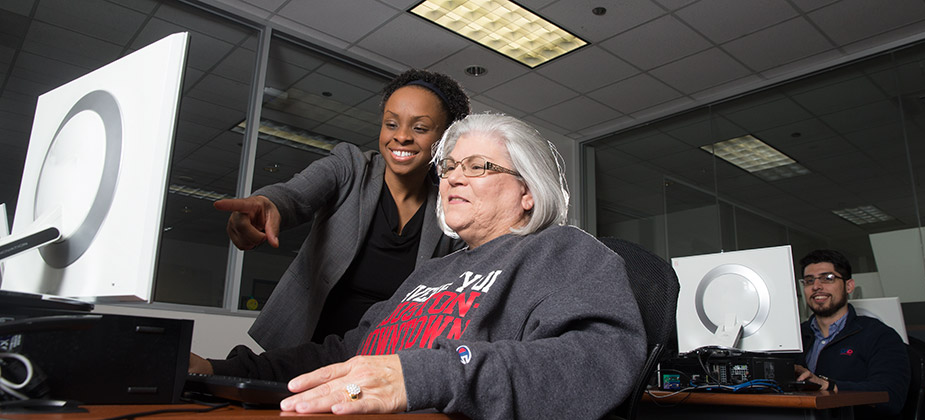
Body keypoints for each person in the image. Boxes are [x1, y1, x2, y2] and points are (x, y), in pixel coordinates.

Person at [191, 114, 647, 419]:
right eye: (448, 167)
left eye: (478, 166)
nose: (452, 177)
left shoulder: (564, 251)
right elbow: (345, 355)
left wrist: (424, 376)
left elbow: (598, 362)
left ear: (527, 191)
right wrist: (218, 370)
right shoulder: (429, 273)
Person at [213, 70, 470, 350]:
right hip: (308, 349)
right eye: (391, 124)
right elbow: (294, 194)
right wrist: (267, 204)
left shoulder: (450, 205)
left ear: (445, 139)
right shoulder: (349, 166)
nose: (402, 137)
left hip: (383, 362)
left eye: (419, 128)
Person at [794, 249, 909, 417]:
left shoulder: (879, 335)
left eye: (828, 278)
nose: (816, 286)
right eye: (809, 281)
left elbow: (890, 395)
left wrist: (828, 385)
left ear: (849, 286)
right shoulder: (795, 336)